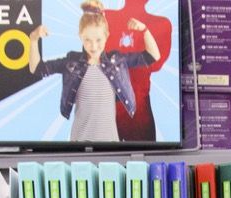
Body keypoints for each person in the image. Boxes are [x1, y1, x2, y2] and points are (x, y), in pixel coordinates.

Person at [29, 0, 160, 145]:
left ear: (107, 35)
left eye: (98, 40)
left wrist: (145, 30)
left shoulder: (117, 61)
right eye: (87, 40)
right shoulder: (71, 63)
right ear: (80, 36)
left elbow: (153, 56)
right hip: (79, 145)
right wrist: (33, 39)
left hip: (110, 145)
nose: (93, 46)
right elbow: (37, 68)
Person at [104, 0, 172, 143]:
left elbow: (155, 63)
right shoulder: (106, 17)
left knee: (141, 161)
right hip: (108, 107)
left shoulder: (161, 24)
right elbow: (92, 58)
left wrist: (144, 32)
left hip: (137, 111)